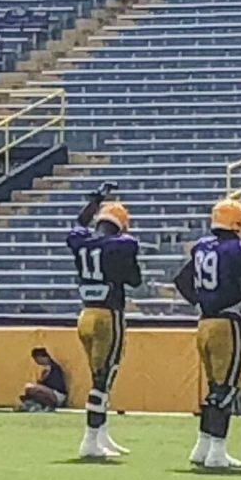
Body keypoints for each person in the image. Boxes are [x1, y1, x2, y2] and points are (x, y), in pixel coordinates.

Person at [173, 198, 241, 470]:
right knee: (226, 389)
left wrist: (200, 301)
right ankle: (217, 451)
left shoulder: (202, 248)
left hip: (205, 323)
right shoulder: (239, 249)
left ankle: (202, 446)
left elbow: (181, 280)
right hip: (228, 323)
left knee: (215, 388)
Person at [67, 182, 141, 459]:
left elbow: (78, 223)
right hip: (109, 316)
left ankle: (101, 435)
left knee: (100, 377)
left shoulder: (83, 240)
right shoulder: (122, 245)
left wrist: (96, 199)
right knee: (103, 378)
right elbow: (134, 279)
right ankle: (90, 440)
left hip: (85, 315)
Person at [20, 347, 68, 412]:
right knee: (32, 392)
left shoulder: (51, 367)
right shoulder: (48, 368)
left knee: (29, 387)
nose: (36, 361)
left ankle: (50, 406)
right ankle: (43, 406)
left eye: (36, 359)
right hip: (53, 394)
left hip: (57, 395)